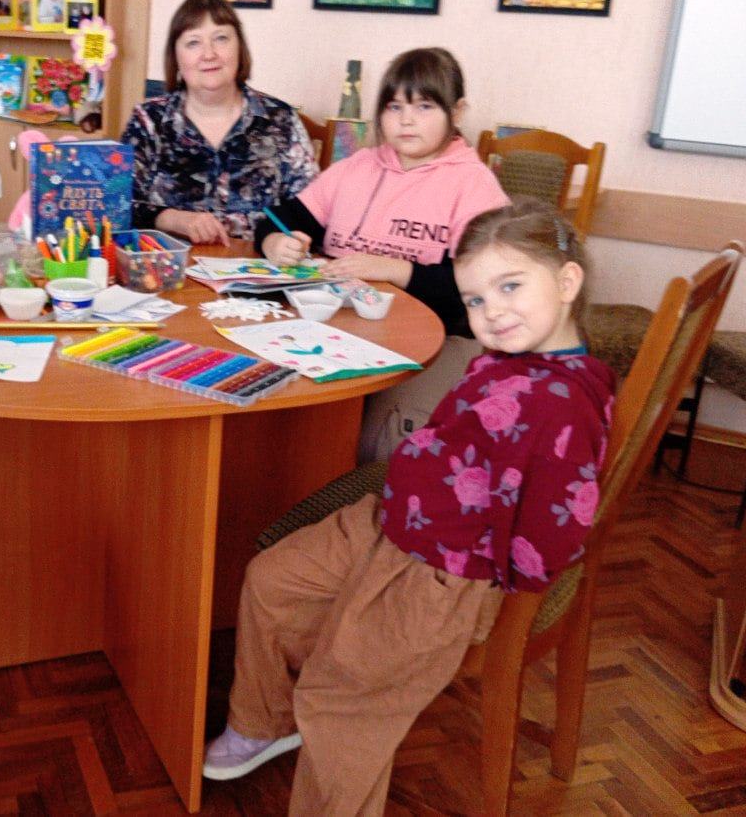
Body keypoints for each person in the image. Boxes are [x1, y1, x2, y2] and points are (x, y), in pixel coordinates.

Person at [203, 198, 615, 815]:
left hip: (438, 570)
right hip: (393, 521)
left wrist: (493, 596)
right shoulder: (518, 356)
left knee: (342, 705)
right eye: (475, 299)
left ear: (566, 280)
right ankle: (265, 721)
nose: (493, 311)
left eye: (510, 286)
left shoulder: (561, 403)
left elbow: (557, 524)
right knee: (274, 580)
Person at [257, 47, 508, 336]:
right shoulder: (357, 166)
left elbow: (477, 288)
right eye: (394, 107)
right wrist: (274, 242)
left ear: (457, 111)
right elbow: (279, 219)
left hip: (423, 335)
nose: (406, 120)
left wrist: (394, 269)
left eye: (424, 106)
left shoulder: (474, 184)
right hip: (330, 324)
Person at [122, 0, 318, 244]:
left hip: (260, 264)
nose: (209, 54)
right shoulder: (149, 120)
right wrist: (174, 219)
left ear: (240, 48)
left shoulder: (281, 119)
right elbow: (119, 204)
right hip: (169, 262)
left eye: (221, 38)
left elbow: (313, 208)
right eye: (193, 43)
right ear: (176, 56)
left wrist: (276, 241)